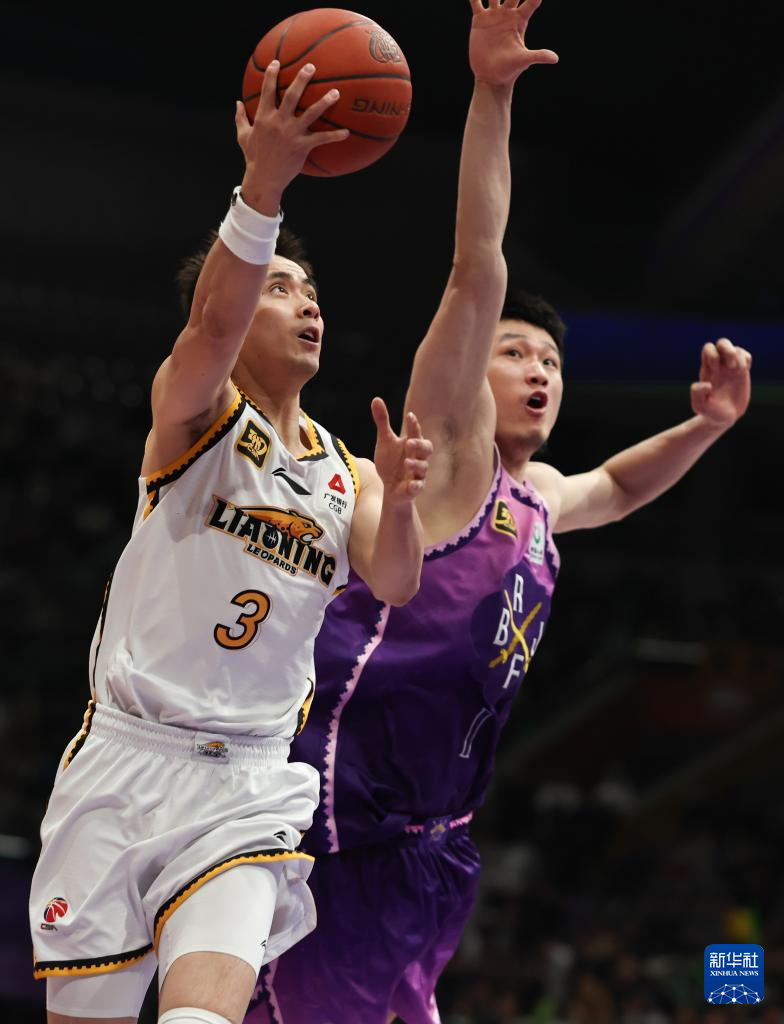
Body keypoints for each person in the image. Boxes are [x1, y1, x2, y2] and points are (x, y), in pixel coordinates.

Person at [245, 1, 753, 1023]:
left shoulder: (538, 497)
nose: (538, 371)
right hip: (345, 825)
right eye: (515, 352)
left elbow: (617, 488)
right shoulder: (454, 463)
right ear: (475, 373)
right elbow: (479, 263)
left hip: (438, 840)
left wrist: (703, 428)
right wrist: (491, 91)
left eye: (552, 361)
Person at [29, 57, 433, 1024]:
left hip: (250, 783)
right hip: (125, 762)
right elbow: (212, 324)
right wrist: (264, 185)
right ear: (243, 306)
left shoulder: (347, 471)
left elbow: (394, 580)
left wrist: (404, 498)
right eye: (283, 288)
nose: (310, 304)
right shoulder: (195, 416)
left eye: (313, 292)